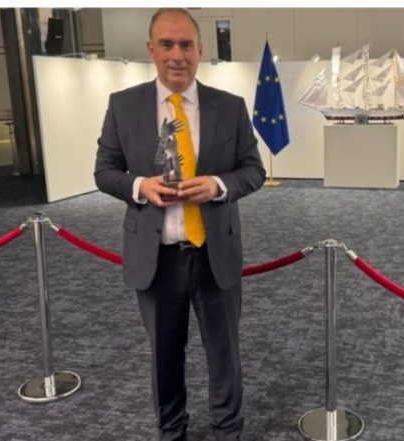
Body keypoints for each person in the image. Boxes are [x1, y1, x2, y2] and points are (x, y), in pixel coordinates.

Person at [94, 8, 265, 441]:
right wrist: (139, 186)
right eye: (167, 44)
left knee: (225, 356)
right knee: (164, 357)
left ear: (200, 50)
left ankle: (228, 432)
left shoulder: (230, 107)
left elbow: (253, 170)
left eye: (186, 44)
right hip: (155, 259)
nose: (177, 55)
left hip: (214, 255)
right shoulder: (123, 105)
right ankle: (172, 432)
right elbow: (105, 171)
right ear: (150, 49)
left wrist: (219, 186)